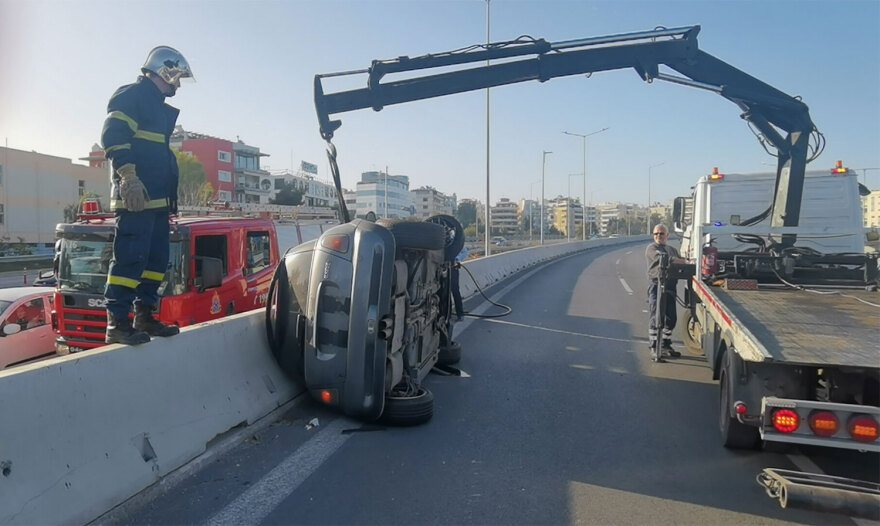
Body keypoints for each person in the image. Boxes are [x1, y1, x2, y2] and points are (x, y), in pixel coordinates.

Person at [101, 46, 194, 345]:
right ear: (165, 71)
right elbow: (113, 135)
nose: (178, 85)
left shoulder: (154, 106)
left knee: (156, 261)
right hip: (136, 197)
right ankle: (117, 322)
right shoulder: (132, 96)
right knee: (130, 258)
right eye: (177, 78)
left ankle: (144, 316)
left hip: (156, 200)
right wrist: (128, 176)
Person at [645, 224, 684, 358]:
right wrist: (679, 261)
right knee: (656, 314)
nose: (658, 236)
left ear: (667, 235)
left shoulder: (672, 249)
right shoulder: (652, 248)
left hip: (671, 285)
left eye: (661, 234)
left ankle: (665, 344)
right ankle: (654, 345)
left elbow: (682, 263)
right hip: (657, 284)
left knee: (671, 317)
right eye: (656, 234)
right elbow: (662, 258)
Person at [451, 245, 468, 320]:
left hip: (453, 269)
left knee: (455, 291)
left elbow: (465, 252)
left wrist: (458, 258)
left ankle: (460, 314)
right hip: (441, 269)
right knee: (444, 293)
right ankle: (446, 314)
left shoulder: (453, 238)